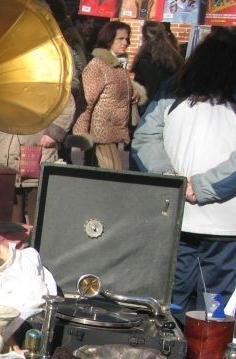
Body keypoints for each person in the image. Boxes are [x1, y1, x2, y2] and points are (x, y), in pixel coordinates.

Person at [131, 28, 236, 316]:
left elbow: (144, 139)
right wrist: (177, 181)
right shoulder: (173, 89)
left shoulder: (173, 88)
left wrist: (181, 183)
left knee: (173, 305)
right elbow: (144, 138)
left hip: (204, 222)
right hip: (204, 222)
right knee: (210, 312)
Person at [72, 20, 144, 170]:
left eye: (127, 38)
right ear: (109, 39)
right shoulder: (97, 66)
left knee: (110, 178)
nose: (126, 42)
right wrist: (81, 135)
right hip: (101, 135)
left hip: (115, 134)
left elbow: (117, 91)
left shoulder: (118, 67)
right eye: (120, 38)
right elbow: (85, 102)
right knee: (111, 177)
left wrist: (133, 94)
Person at [131, 21, 185, 104]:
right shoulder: (175, 57)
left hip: (149, 105)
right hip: (168, 102)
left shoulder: (145, 59)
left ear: (145, 37)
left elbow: (146, 88)